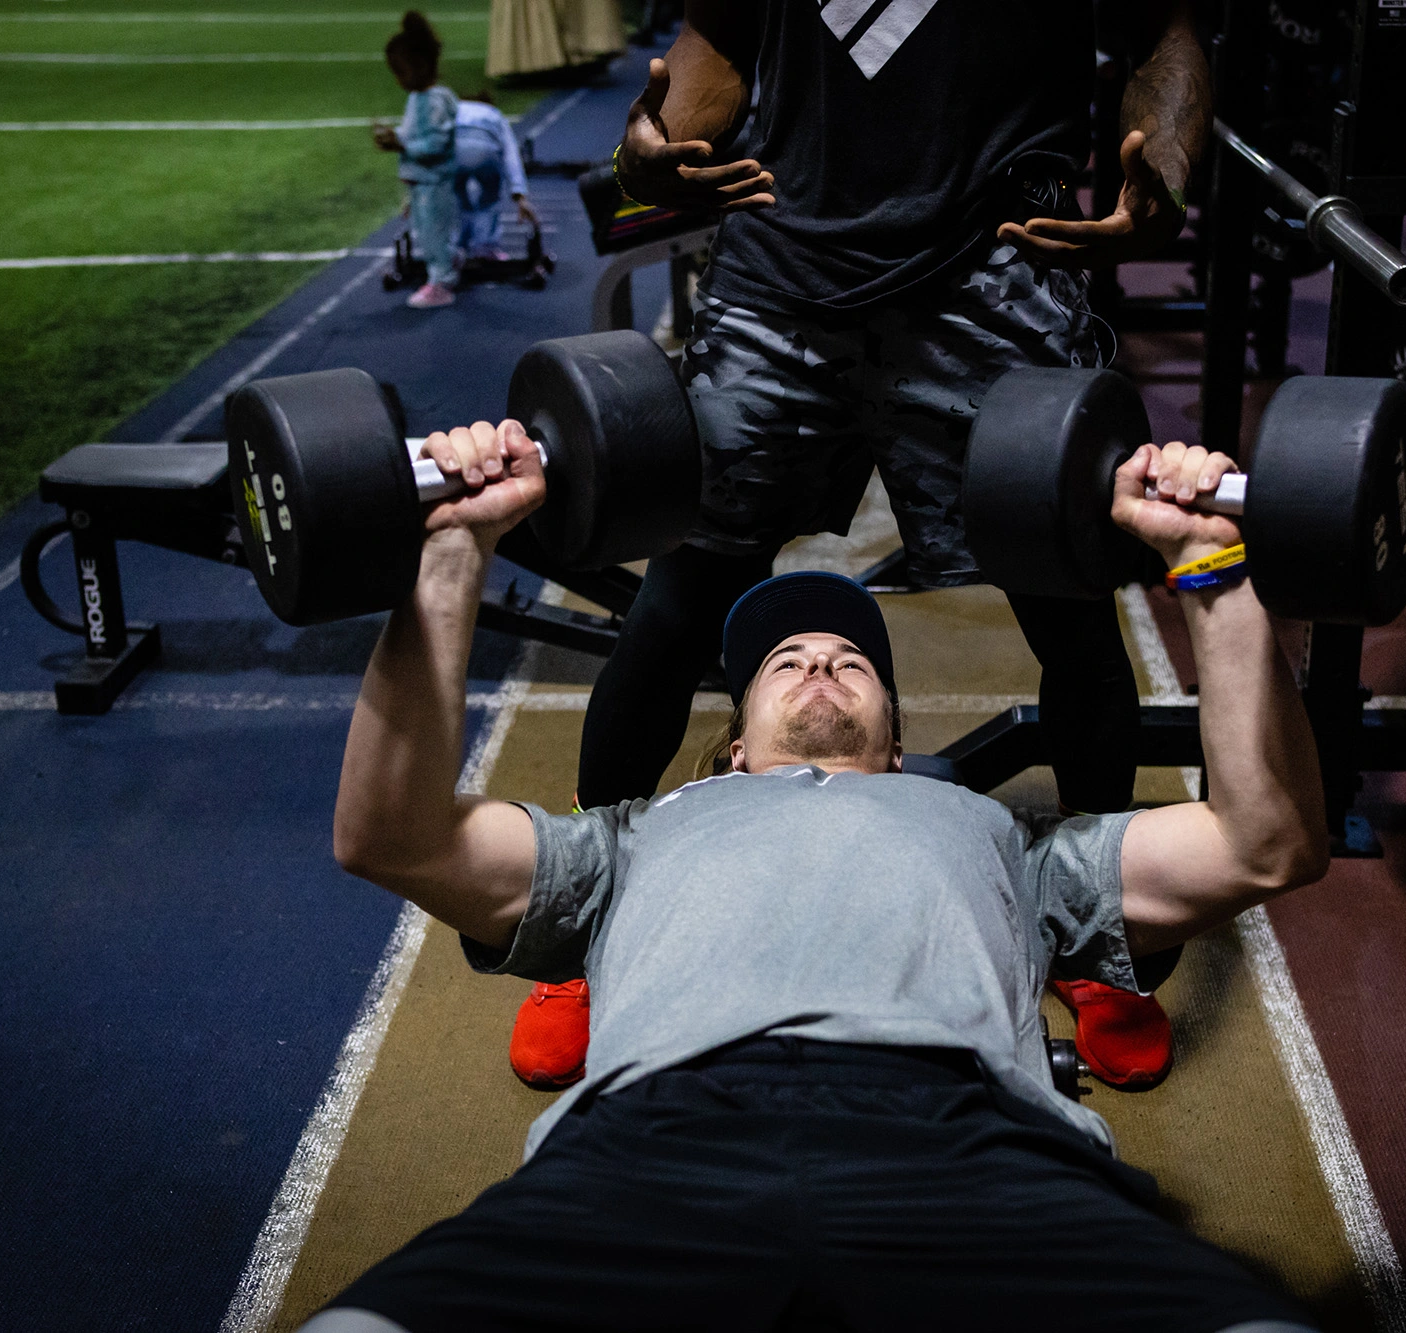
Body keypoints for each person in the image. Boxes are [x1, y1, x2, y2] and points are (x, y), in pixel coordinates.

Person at [302, 412, 1330, 1332]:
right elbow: (391, 837)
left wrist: (1212, 565)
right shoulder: (632, 837)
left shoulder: (997, 835)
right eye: (783, 660)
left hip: (968, 1146)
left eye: (850, 660)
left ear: (894, 748)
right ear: (736, 747)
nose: (818, 663)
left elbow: (1265, 841)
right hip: (653, 1147)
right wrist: (448, 557)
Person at [511, 0, 1213, 1092]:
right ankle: (578, 925)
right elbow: (708, 70)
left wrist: (1162, 165)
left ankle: (1098, 938)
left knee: (1068, 610)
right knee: (682, 597)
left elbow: (1158, 29)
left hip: (994, 273)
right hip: (783, 283)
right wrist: (645, 156)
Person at [373, 12, 461, 309]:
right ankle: (449, 261)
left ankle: (442, 282)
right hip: (423, 180)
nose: (398, 80)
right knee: (428, 232)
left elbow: (435, 144)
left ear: (420, 66)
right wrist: (395, 137)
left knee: (432, 234)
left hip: (433, 181)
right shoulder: (418, 97)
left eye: (401, 72)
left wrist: (401, 143)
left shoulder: (434, 100)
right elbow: (415, 134)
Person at [453, 95, 540, 260]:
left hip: (453, 149)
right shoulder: (494, 113)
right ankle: (486, 247)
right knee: (489, 197)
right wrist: (519, 194)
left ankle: (457, 246)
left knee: (456, 195)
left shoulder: (453, 109)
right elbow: (510, 153)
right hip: (485, 149)